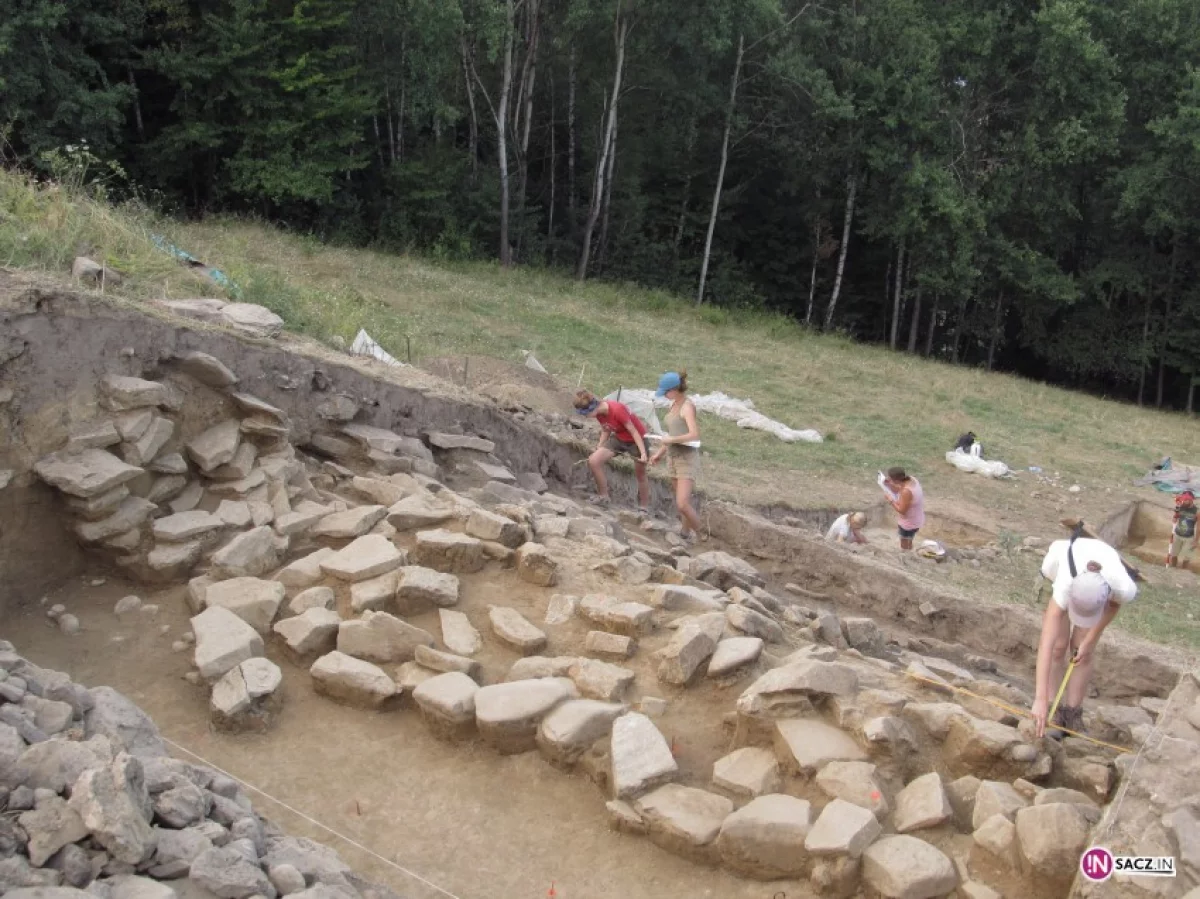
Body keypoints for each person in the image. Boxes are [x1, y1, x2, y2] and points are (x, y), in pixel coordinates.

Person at [1031, 535, 1138, 738]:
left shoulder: (1122, 587)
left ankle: (1073, 715)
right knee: (1058, 647)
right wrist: (1040, 699)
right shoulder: (1064, 585)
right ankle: (1052, 708)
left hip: (1098, 576)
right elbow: (1046, 644)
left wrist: (1089, 641)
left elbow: (1114, 606)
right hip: (1055, 571)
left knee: (1081, 651)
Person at [648, 371, 704, 542]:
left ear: (674, 389)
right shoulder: (673, 405)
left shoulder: (687, 406)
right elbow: (672, 434)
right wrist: (659, 453)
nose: (664, 395)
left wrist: (672, 439)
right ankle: (685, 532)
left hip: (686, 459)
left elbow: (694, 434)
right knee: (681, 501)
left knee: (682, 503)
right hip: (673, 457)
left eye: (666, 392)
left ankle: (703, 536)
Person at [573, 389, 650, 510]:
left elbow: (634, 431)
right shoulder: (599, 413)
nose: (586, 417)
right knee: (594, 460)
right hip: (619, 438)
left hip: (637, 440)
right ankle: (603, 496)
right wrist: (599, 446)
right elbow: (606, 429)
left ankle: (644, 507)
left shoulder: (617, 410)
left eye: (585, 414)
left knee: (640, 473)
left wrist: (643, 453)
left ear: (592, 409)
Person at [882, 467, 925, 550]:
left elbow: (902, 510)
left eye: (890, 478)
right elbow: (900, 488)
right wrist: (890, 484)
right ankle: (908, 551)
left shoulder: (906, 491)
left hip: (909, 523)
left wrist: (890, 500)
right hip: (917, 518)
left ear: (896, 480)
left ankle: (906, 555)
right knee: (909, 539)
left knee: (905, 542)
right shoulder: (912, 479)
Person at [1169, 490, 1198, 569]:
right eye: (1183, 499)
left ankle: (1183, 572)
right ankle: (1172, 568)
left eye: (1186, 500)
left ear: (1191, 500)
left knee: (1186, 557)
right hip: (1177, 535)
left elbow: (1199, 527)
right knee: (1174, 554)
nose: (1184, 501)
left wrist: (1196, 541)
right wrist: (1174, 518)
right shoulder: (1180, 507)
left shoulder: (1197, 511)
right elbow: (1176, 516)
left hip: (1189, 538)